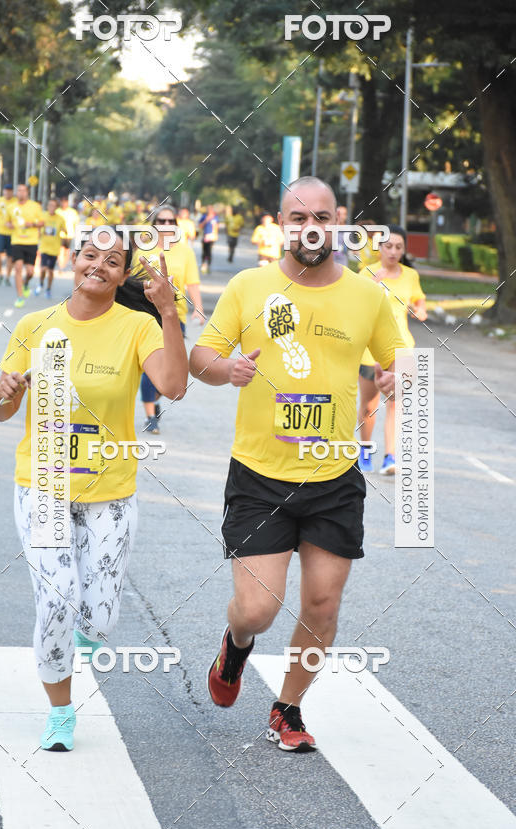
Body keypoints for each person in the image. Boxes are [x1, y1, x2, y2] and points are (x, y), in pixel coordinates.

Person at [189, 176, 405, 753]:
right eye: (297, 216)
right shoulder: (249, 285)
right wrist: (226, 368)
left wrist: (393, 375)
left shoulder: (367, 295)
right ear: (282, 224)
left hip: (334, 476)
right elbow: (199, 357)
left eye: (324, 216)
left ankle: (288, 708)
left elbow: (401, 357)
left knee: (321, 604)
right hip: (260, 474)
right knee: (258, 609)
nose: (311, 226)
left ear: (340, 224)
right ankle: (235, 644)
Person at [0, 227, 188, 752]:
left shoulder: (137, 327)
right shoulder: (36, 326)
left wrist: (169, 312)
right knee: (58, 600)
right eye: (90, 255)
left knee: (97, 619)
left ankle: (74, 642)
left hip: (111, 490)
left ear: (124, 275)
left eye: (114, 260)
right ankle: (60, 712)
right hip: (44, 486)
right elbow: (2, 408)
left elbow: (173, 385)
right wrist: (6, 391)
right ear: (75, 260)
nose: (98, 265)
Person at [357, 224, 427, 475]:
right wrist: (371, 291)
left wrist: (420, 310)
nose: (393, 251)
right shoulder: (366, 273)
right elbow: (356, 312)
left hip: (403, 348)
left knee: (396, 404)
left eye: (399, 247)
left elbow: (420, 302)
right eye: (388, 246)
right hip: (371, 353)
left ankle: (390, 457)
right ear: (379, 248)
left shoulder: (411, 275)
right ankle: (364, 450)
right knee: (368, 405)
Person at [128, 204, 204, 434]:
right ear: (153, 225)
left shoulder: (185, 251)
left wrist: (198, 308)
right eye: (162, 221)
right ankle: (151, 416)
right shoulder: (140, 248)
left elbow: (192, 282)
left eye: (172, 222)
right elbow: (126, 281)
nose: (167, 225)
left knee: (170, 367)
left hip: (173, 315)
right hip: (144, 315)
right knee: (150, 365)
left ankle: (157, 394)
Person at [6, 183, 44, 308]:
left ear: (27, 193)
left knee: (30, 271)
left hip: (31, 242)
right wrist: (10, 225)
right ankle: (20, 297)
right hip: (17, 241)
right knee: (17, 267)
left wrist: (32, 224)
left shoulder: (35, 206)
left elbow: (42, 222)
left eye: (23, 191)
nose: (21, 193)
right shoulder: (11, 207)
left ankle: (26, 283)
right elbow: (8, 222)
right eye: (19, 190)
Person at [34, 198, 65, 300]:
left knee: (50, 271)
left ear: (56, 207)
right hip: (44, 246)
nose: (51, 207)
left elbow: (65, 230)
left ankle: (48, 289)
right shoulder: (43, 216)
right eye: (50, 205)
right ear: (47, 206)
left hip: (54, 248)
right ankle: (41, 283)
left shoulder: (60, 219)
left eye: (54, 205)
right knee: (43, 269)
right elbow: (38, 226)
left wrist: (64, 231)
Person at [57, 196, 79, 272]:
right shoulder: (57, 211)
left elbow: (76, 222)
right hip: (59, 234)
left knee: (66, 250)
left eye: (65, 202)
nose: (63, 204)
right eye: (62, 202)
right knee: (60, 250)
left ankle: (64, 264)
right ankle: (60, 265)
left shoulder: (72, 212)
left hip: (69, 234)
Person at [198, 204, 218, 274]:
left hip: (211, 237)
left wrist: (215, 235)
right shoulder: (204, 217)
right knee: (204, 251)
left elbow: (216, 226)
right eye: (208, 209)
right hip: (205, 236)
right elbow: (200, 226)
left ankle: (208, 265)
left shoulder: (215, 217)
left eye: (211, 209)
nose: (209, 210)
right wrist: (206, 220)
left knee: (209, 251)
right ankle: (203, 264)